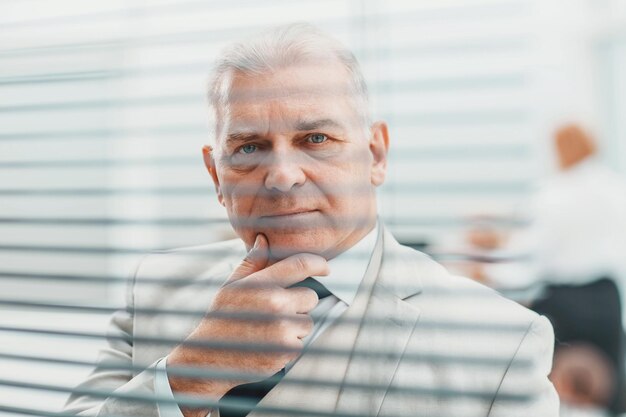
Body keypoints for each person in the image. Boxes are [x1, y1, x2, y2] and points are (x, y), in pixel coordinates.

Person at [64, 23, 558, 417]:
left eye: (316, 139)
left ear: (376, 155)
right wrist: (193, 373)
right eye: (250, 147)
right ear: (216, 174)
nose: (282, 176)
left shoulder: (501, 343)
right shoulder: (152, 289)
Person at [466, 124, 626, 414]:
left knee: (557, 392)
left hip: (564, 304)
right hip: (607, 301)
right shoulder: (615, 188)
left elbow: (523, 263)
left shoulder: (551, 195)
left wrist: (485, 269)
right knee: (606, 391)